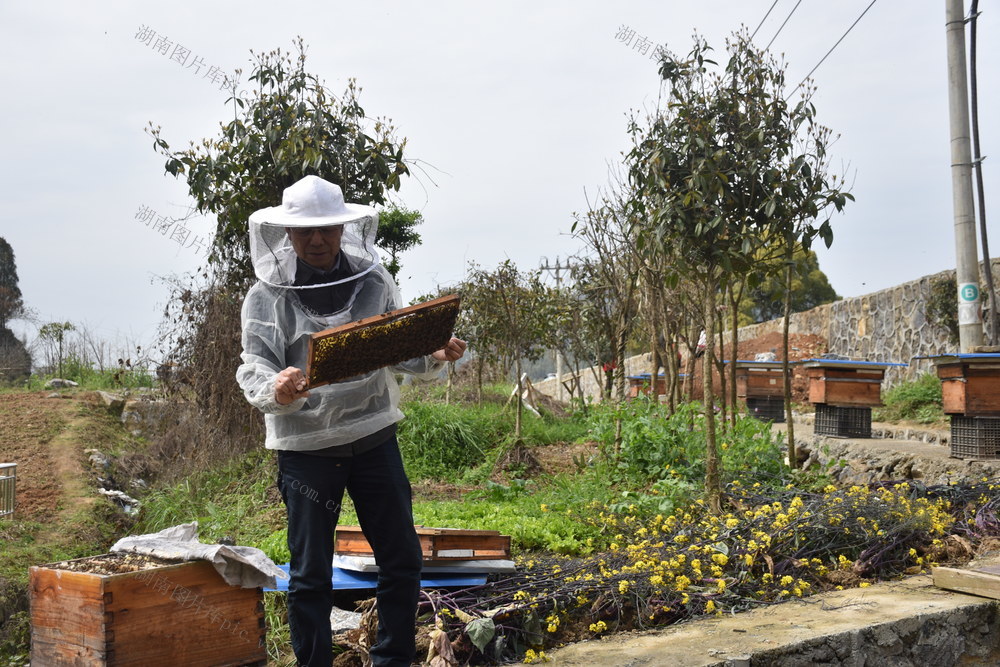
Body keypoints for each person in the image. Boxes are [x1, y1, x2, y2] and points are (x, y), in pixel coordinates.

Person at [236, 175, 466, 666]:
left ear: (344, 229)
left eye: (327, 230)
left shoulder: (373, 281)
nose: (317, 241)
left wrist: (435, 350)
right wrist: (277, 386)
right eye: (305, 232)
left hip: (373, 435)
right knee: (310, 572)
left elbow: (398, 348)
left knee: (401, 559)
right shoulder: (265, 296)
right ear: (287, 235)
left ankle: (392, 659)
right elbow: (254, 363)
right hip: (306, 447)